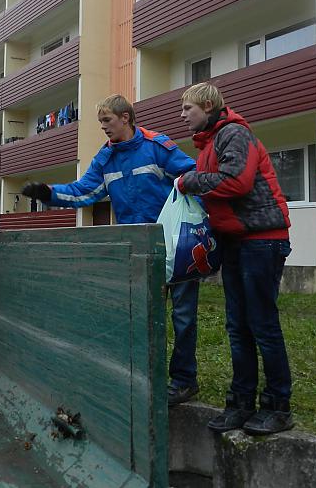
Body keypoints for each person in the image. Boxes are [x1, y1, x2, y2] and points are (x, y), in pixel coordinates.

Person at [21, 94, 200, 406]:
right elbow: (83, 192)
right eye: (100, 121)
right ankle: (143, 373)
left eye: (107, 120)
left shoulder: (157, 146)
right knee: (141, 312)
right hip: (138, 246)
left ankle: (184, 380)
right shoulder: (105, 159)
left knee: (183, 315)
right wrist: (49, 193)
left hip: (174, 241)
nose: (103, 127)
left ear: (125, 118)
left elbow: (193, 175)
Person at [176, 82, 293, 435]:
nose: (182, 116)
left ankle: (278, 406)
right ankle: (241, 402)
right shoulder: (210, 143)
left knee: (262, 325)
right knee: (237, 327)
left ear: (208, 106)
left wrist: (188, 181)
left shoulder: (234, 134)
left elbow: (236, 182)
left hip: (262, 239)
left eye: (188, 109)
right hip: (236, 241)